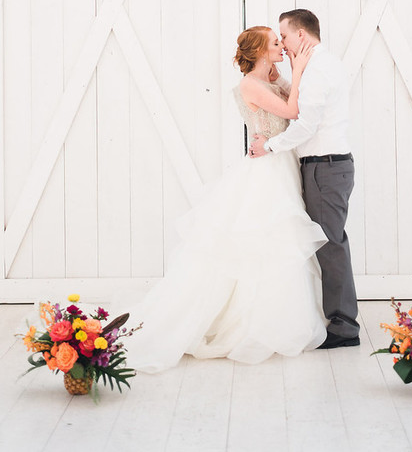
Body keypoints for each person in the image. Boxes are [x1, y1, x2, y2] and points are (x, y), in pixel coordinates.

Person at [123, 26, 328, 373]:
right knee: (265, 241)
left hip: (280, 163)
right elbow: (293, 112)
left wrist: (290, 72)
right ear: (261, 50)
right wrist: (299, 70)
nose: (282, 45)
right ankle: (250, 324)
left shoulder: (268, 79)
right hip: (267, 171)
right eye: (276, 43)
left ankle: (275, 317)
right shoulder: (250, 84)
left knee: (277, 242)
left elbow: (293, 104)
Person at [249, 9, 360, 349]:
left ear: (301, 35)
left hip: (326, 167)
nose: (281, 41)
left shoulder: (318, 70)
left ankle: (344, 327)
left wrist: (268, 145)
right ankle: (336, 318)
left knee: (330, 244)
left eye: (284, 34)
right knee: (326, 243)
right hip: (320, 167)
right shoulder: (313, 67)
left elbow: (305, 124)